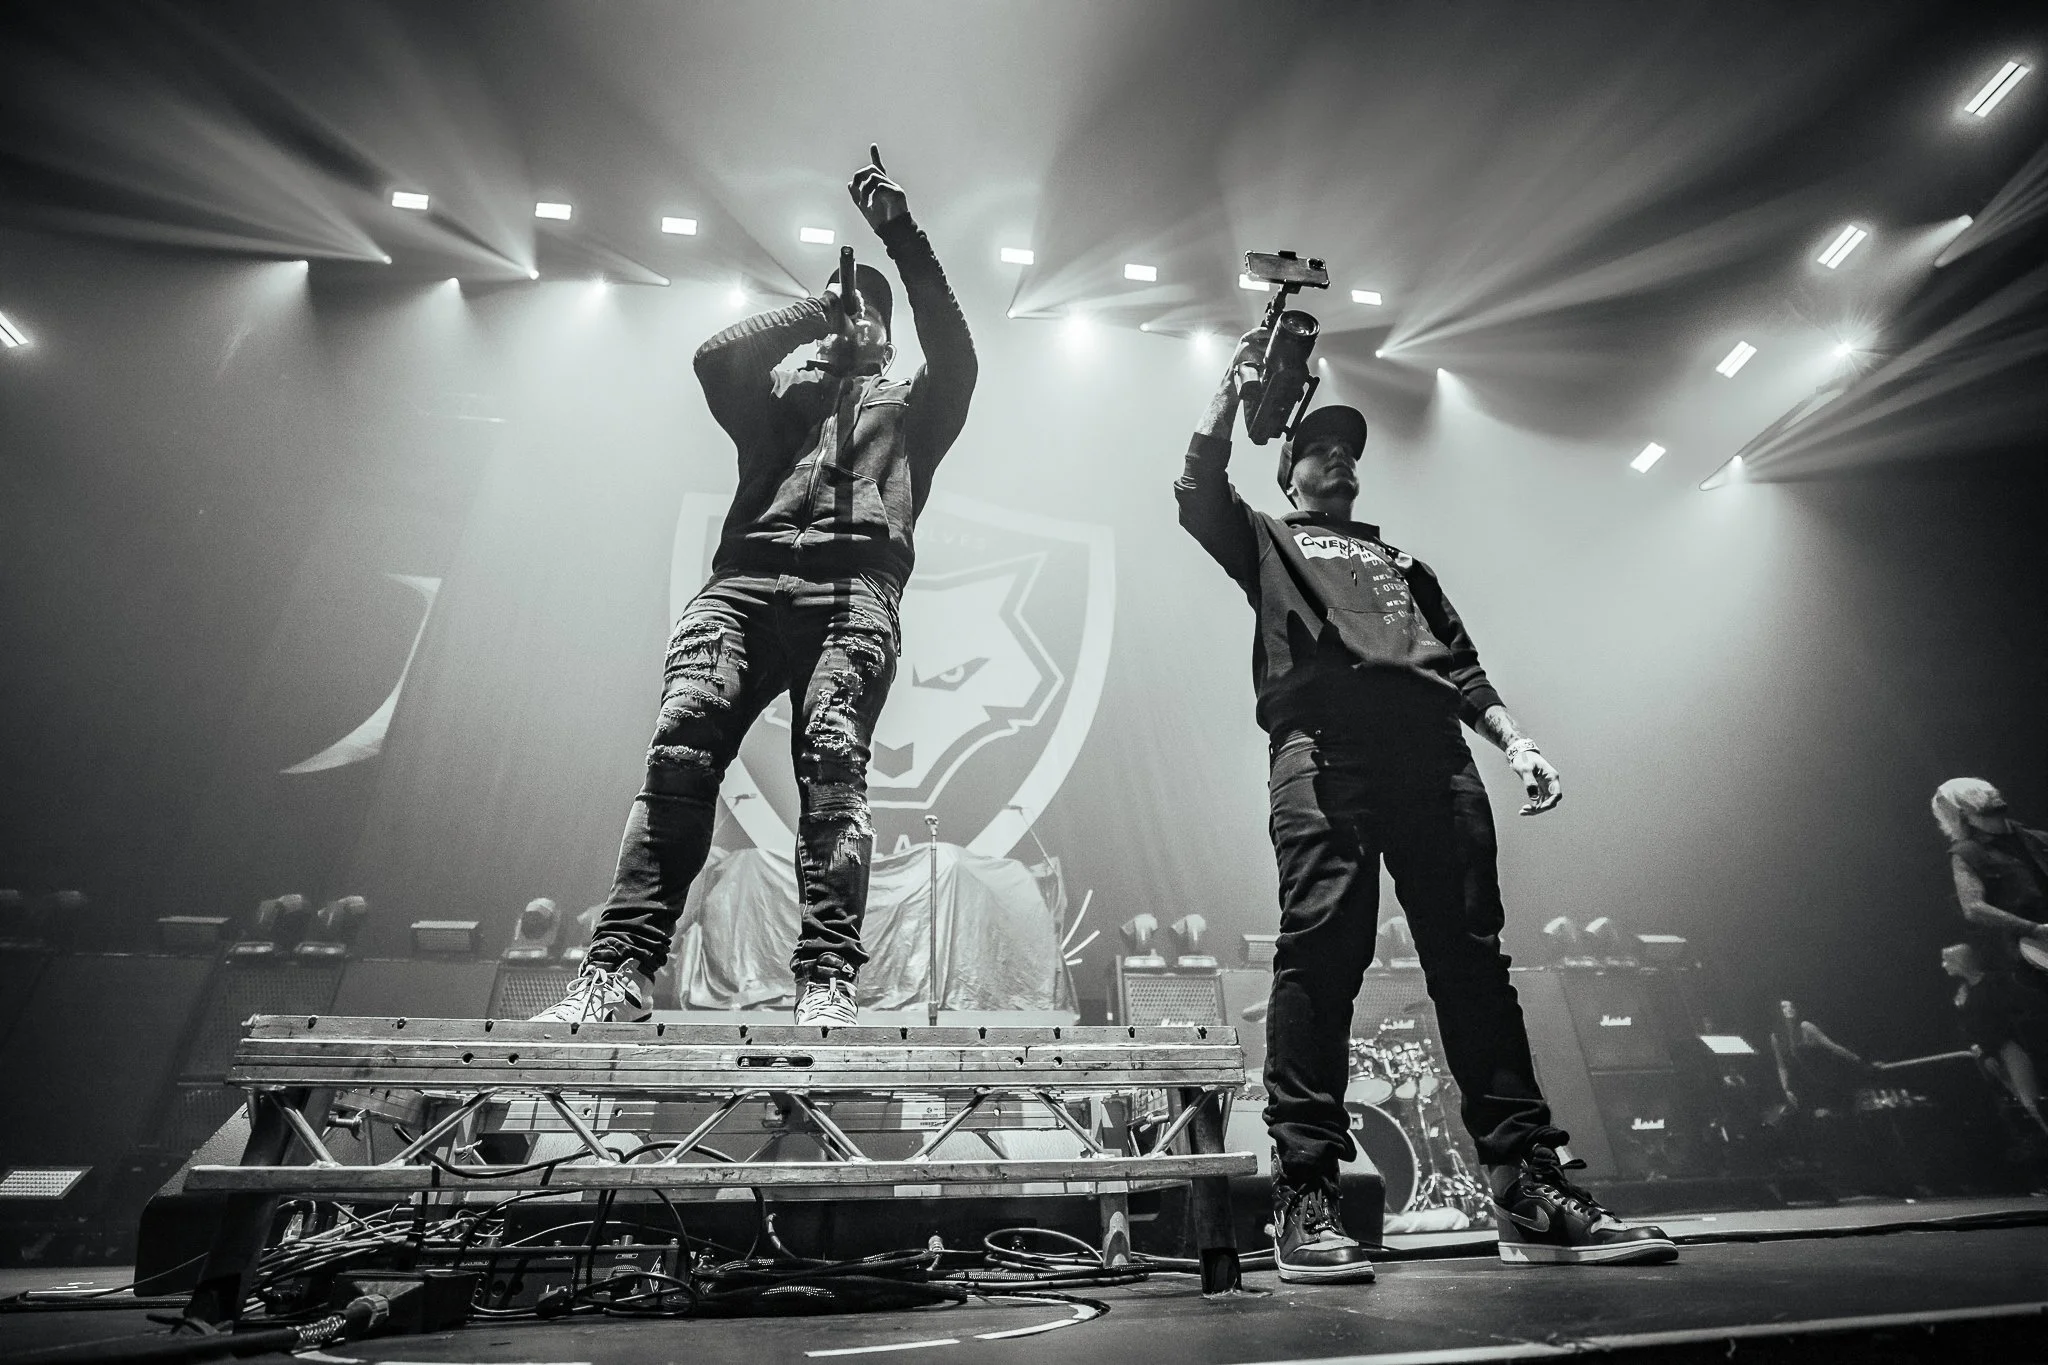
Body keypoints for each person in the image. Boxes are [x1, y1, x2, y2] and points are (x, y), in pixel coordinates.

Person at [1174, 331, 1675, 1281]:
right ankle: (1308, 1189)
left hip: (1436, 760)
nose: (1341, 456)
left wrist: (1518, 742)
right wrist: (1226, 391)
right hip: (1326, 752)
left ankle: (1527, 1179)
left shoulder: (1404, 559)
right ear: (1288, 467)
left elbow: (1462, 664)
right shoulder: (1272, 540)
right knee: (1323, 956)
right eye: (1321, 445)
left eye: (1351, 447)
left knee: (1475, 966)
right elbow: (1196, 494)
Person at [536, 154, 975, 1028]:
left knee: (833, 764)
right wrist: (818, 309)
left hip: (853, 590)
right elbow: (710, 359)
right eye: (843, 315)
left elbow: (955, 345)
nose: (854, 327)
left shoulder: (912, 408)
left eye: (866, 319)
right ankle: (617, 969)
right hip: (740, 587)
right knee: (678, 755)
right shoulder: (777, 404)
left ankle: (826, 980)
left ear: (887, 338)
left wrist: (898, 232)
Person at [1933, 778, 2048, 996]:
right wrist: (2033, 929)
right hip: (2036, 951)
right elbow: (1973, 907)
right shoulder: (1967, 854)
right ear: (1961, 812)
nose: (1992, 792)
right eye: (1977, 793)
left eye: (1989, 789)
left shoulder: (2037, 839)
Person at [1943, 942, 2048, 1137]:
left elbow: (2006, 1013)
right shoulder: (1963, 992)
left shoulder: (1993, 982)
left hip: (2008, 1046)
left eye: (1947, 960)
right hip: (1991, 1052)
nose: (1944, 965)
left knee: (2031, 1101)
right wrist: (1983, 1052)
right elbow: (1969, 1028)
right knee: (2024, 1101)